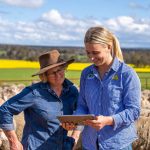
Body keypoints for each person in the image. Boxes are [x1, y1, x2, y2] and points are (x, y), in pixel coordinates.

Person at [62, 26, 141, 150]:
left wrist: (108, 120)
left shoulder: (126, 74)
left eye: (95, 52)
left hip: (117, 144)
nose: (91, 58)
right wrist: (75, 121)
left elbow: (134, 111)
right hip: (90, 144)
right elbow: (83, 106)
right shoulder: (86, 74)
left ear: (109, 47)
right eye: (88, 53)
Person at [0, 50, 79, 150]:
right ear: (44, 76)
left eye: (60, 70)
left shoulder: (72, 91)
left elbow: (81, 113)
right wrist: (13, 141)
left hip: (63, 146)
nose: (58, 75)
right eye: (53, 73)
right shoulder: (34, 93)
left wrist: (74, 137)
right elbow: (4, 110)